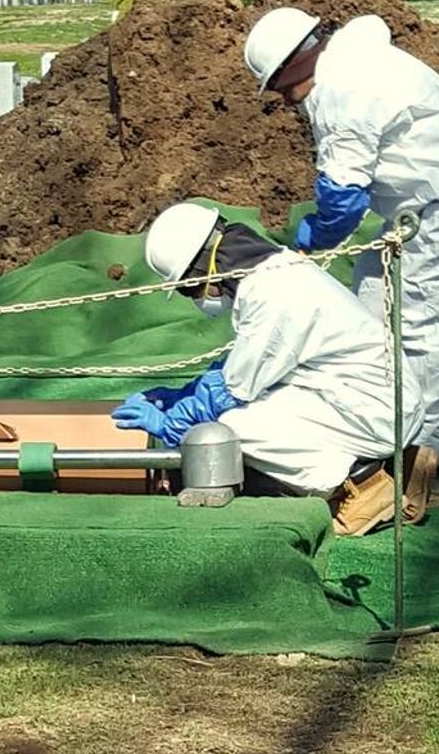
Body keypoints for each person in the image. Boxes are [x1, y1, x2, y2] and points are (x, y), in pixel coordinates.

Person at [243, 6, 439, 518]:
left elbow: (343, 200)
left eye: (278, 89)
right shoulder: (345, 63)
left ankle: (424, 459)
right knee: (371, 307)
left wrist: (311, 240)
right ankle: (380, 433)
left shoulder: (343, 88)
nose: (283, 102)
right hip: (420, 203)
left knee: (426, 327)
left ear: (292, 65)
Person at [115, 201, 407, 536]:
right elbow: (247, 365)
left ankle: (361, 485)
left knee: (227, 427)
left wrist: (174, 424)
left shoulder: (273, 296)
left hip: (374, 413)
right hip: (356, 394)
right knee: (235, 408)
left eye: (188, 289)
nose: (194, 298)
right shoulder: (273, 272)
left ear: (205, 270)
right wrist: (186, 392)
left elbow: (233, 390)